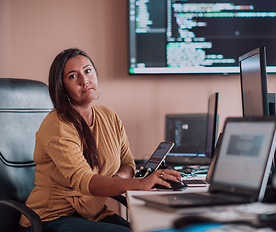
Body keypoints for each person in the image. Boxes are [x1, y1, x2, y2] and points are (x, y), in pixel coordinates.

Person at [19, 48, 181, 232]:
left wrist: (117, 180)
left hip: (93, 215)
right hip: (50, 219)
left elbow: (128, 163)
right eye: (73, 76)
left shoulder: (109, 116)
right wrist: (141, 183)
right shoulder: (58, 126)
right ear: (61, 87)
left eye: (88, 71)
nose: (84, 80)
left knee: (148, 228)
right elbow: (86, 182)